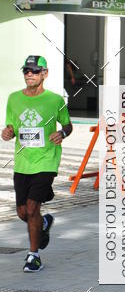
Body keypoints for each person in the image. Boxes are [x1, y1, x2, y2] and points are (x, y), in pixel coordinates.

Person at [1, 55, 72, 272]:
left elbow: (68, 125)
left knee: (32, 207)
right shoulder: (14, 99)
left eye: (33, 71)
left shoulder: (55, 100)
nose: (29, 74)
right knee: (23, 212)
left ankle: (34, 256)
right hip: (23, 162)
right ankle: (41, 225)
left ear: (45, 74)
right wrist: (8, 132)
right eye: (26, 71)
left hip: (46, 160)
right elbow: (12, 127)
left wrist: (62, 133)